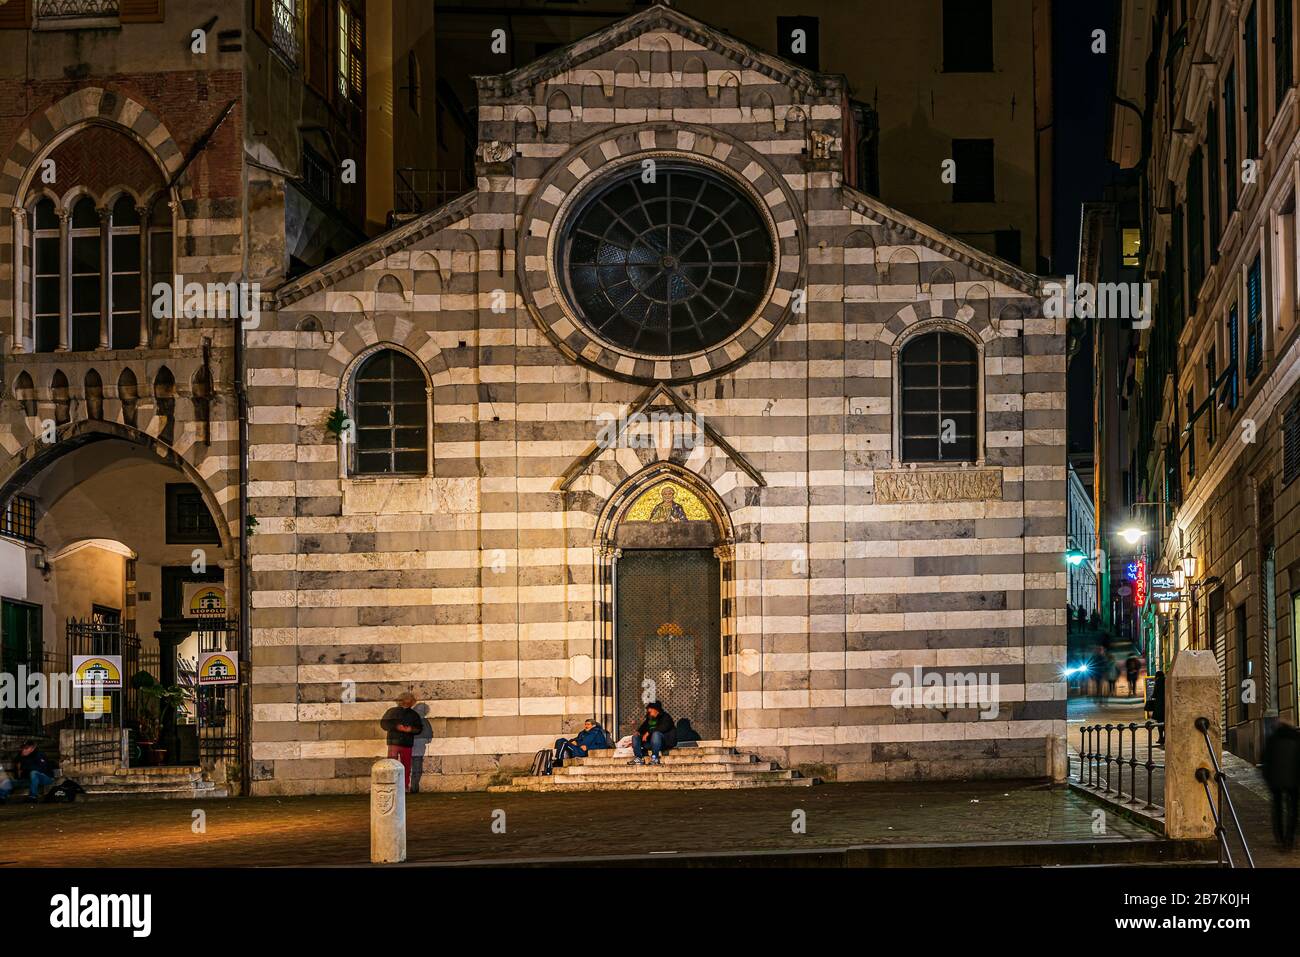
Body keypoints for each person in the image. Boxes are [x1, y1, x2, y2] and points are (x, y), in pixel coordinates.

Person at [1262, 719, 1300, 851]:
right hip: (1294, 781)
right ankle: (1289, 839)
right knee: (1293, 811)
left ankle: (1280, 838)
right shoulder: (1296, 738)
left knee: (1277, 809)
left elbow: (1265, 761)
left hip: (1276, 781)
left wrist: (1268, 779)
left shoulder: (1273, 739)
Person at [380, 692, 423, 792]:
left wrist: (410, 730)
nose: (408, 702)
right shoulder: (392, 711)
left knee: (405, 766)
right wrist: (397, 727)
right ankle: (392, 785)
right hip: (394, 742)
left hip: (405, 743)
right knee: (392, 765)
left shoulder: (413, 714)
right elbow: (384, 724)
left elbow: (419, 729)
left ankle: (404, 786)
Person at [629, 701, 676, 765]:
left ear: (655, 709)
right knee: (635, 737)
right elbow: (642, 728)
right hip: (650, 743)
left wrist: (648, 732)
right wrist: (638, 732)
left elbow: (663, 728)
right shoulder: (650, 719)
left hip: (664, 743)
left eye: (650, 711)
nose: (649, 713)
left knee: (656, 734)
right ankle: (639, 758)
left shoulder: (666, 717)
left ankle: (655, 758)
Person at [1144, 670, 1166, 745]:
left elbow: (1155, 694)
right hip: (1167, 705)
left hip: (1159, 706)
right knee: (1166, 722)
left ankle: (1161, 737)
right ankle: (1166, 737)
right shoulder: (1167, 680)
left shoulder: (1158, 681)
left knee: (1160, 722)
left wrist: (1152, 696)